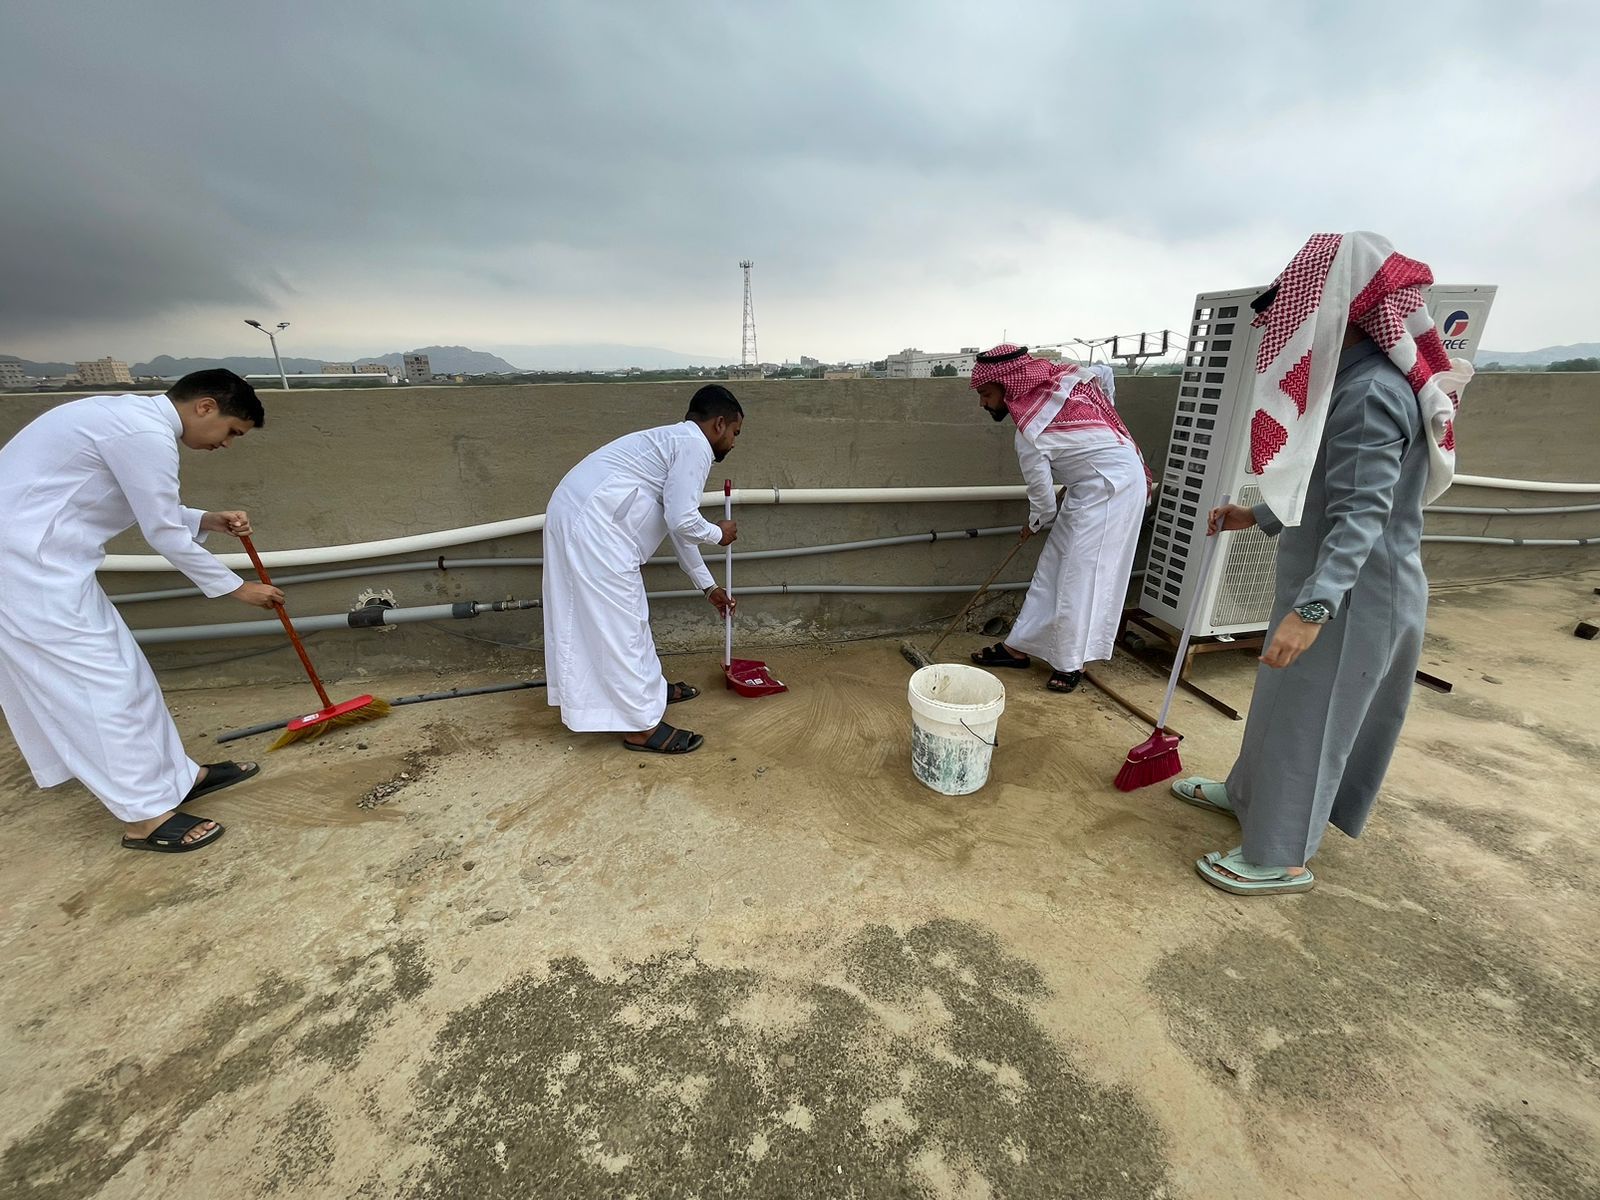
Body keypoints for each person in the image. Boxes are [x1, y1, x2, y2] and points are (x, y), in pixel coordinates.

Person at [1173, 232, 1475, 895]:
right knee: (1282, 702)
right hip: (1332, 588)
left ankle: (1280, 854)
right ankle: (1246, 794)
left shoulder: (1370, 392)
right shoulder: (1351, 380)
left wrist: (1314, 608)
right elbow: (1322, 484)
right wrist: (1256, 516)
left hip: (1355, 597)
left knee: (1315, 717)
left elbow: (1363, 514)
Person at [0, 369, 284, 853]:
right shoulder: (142, 432)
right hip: (25, 571)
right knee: (96, 690)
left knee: (127, 674)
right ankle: (144, 819)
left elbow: (152, 505)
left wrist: (206, 520)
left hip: (48, 566)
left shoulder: (130, 419)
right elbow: (161, 530)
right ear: (205, 407)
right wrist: (237, 588)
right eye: (232, 432)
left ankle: (179, 776)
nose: (227, 444)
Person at [542, 385, 742, 754]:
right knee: (621, 624)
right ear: (718, 425)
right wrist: (719, 533)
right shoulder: (694, 447)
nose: (733, 442)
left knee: (628, 620)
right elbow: (684, 520)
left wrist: (707, 586)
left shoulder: (676, 444)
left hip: (589, 521)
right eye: (734, 433)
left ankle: (648, 692)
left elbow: (676, 523)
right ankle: (642, 726)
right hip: (594, 526)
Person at [967, 346, 1152, 692]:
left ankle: (1069, 664)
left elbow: (1043, 503)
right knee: (1053, 568)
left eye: (986, 394)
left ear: (1009, 387)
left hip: (1114, 490)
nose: (983, 403)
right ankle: (1016, 648)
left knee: (1079, 576)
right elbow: (1104, 375)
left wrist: (1033, 524)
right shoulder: (1062, 381)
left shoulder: (1029, 435)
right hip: (1096, 483)